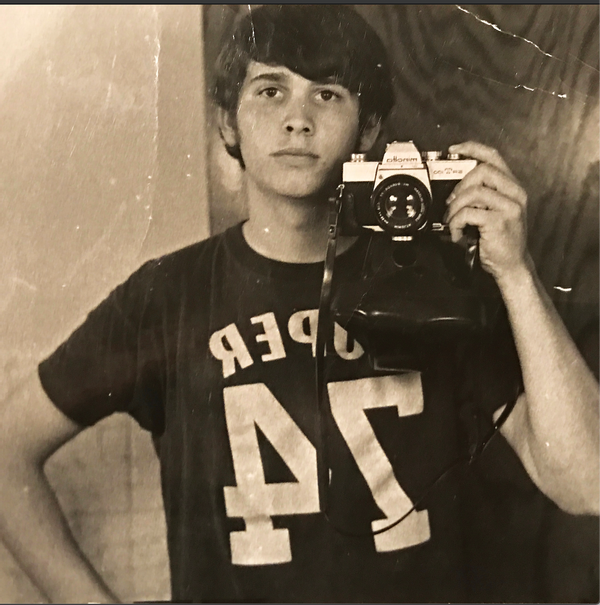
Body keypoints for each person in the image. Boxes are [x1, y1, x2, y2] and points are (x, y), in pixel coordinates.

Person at [0, 5, 597, 603]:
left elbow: (587, 483)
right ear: (228, 124)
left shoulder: (440, 281)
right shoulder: (166, 296)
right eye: (270, 90)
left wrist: (517, 273)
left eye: (328, 94)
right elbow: (6, 452)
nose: (297, 120)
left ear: (368, 130)